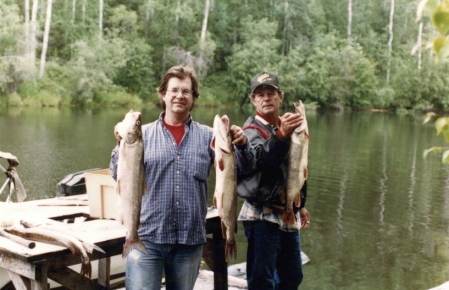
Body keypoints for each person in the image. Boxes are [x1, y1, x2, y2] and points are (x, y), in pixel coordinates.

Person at [109, 65, 255, 290]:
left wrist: (244, 145)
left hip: (189, 240)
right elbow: (115, 172)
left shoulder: (210, 136)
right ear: (163, 94)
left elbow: (242, 172)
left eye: (186, 91)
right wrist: (120, 143)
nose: (179, 96)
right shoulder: (141, 135)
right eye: (174, 90)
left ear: (194, 97)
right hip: (147, 237)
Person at [238, 71, 311, 290]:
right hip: (261, 216)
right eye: (260, 94)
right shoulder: (249, 132)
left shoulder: (286, 127)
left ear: (280, 97)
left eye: (271, 93)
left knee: (292, 277)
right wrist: (280, 136)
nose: (266, 98)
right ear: (253, 100)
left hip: (287, 212)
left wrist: (301, 204)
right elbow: (263, 162)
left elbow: (296, 167)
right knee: (262, 281)